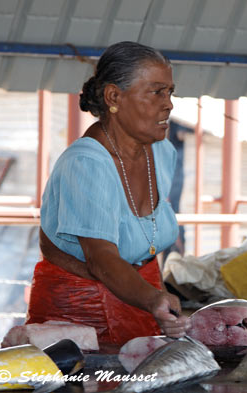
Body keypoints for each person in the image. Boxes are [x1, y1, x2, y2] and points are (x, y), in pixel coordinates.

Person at [26, 41, 189, 346]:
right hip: (79, 316)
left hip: (144, 303)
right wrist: (153, 298)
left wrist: (152, 299)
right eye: (156, 92)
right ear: (114, 96)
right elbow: (102, 259)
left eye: (170, 92)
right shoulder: (86, 163)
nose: (168, 104)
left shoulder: (162, 152)